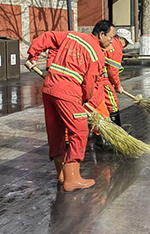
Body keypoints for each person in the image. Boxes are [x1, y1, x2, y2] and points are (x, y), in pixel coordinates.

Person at [26, 20, 116, 191]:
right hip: (67, 92)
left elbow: (48, 36)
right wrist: (84, 100)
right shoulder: (97, 54)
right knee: (79, 131)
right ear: (101, 34)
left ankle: (61, 175)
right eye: (111, 37)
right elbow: (89, 85)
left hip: (49, 88)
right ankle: (72, 179)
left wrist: (33, 56)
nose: (112, 41)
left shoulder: (73, 36)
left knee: (56, 132)